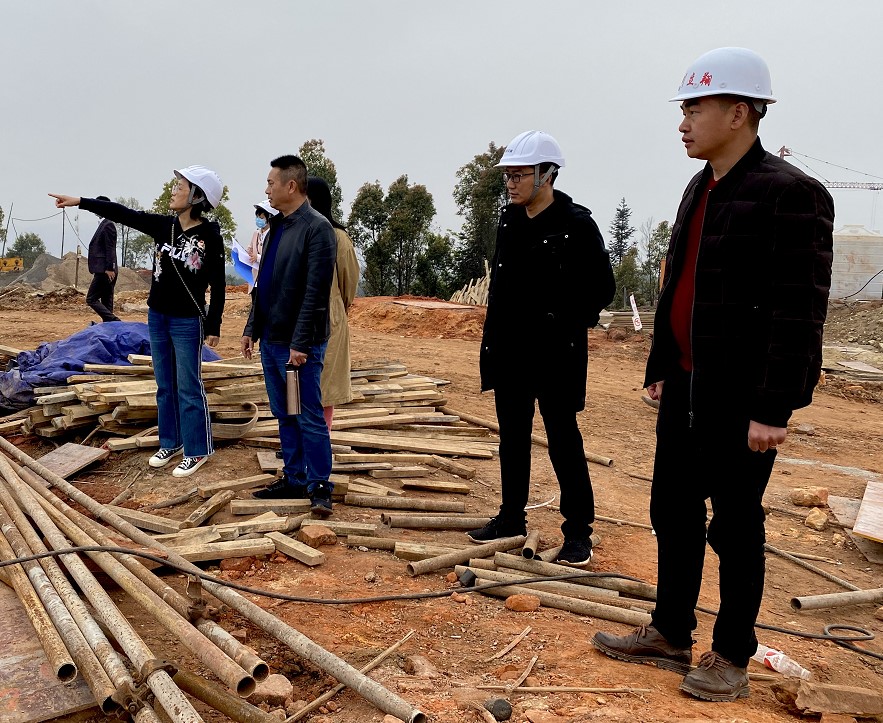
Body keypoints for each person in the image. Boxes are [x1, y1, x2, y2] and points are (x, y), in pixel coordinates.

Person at [591, 48, 834, 702]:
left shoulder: (792, 194)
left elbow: (798, 312)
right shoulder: (700, 186)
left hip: (741, 396)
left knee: (734, 525)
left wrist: (774, 408)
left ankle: (731, 653)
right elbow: (679, 283)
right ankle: (671, 630)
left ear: (738, 112)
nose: (682, 123)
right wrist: (661, 366)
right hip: (687, 385)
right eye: (683, 109)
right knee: (671, 509)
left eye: (693, 108)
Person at [467, 130, 615, 567]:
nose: (511, 183)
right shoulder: (510, 220)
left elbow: (602, 289)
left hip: (555, 355)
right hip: (511, 351)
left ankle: (578, 533)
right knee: (512, 439)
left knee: (563, 442)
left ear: (547, 175)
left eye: (519, 175)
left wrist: (562, 320)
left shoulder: (577, 225)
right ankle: (510, 518)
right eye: (507, 176)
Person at [51, 165, 227, 478]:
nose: (173, 190)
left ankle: (197, 449)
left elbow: (219, 283)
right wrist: (80, 201)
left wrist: (213, 325)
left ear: (197, 196)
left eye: (180, 186)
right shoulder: (163, 226)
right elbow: (123, 213)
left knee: (188, 386)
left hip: (187, 320)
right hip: (157, 316)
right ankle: (171, 442)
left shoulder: (210, 236)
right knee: (164, 385)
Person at [243, 156, 337, 516]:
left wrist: (301, 343)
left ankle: (319, 485)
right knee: (284, 412)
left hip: (299, 344)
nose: (267, 189)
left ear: (291, 186)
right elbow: (262, 285)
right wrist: (252, 328)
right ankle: (294, 477)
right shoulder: (276, 229)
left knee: (309, 414)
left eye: (271, 183)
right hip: (272, 339)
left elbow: (316, 292)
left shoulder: (317, 229)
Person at [306, 176, 359, 430]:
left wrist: (336, 307)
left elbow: (349, 283)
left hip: (330, 320)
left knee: (325, 387)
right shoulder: (296, 232)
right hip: (298, 321)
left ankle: (320, 440)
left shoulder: (338, 237)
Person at [85, 195, 121, 323]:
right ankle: (110, 327)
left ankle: (115, 322)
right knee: (107, 301)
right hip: (105, 270)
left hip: (105, 271)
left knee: (91, 298)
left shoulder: (108, 225)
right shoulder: (105, 224)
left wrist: (109, 268)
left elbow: (110, 248)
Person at [246, 201, 277, 285]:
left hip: (268, 277)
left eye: (261, 217)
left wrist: (258, 257)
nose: (258, 219)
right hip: (255, 276)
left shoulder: (274, 235)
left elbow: (274, 257)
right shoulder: (256, 233)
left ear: (269, 218)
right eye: (257, 217)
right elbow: (250, 249)